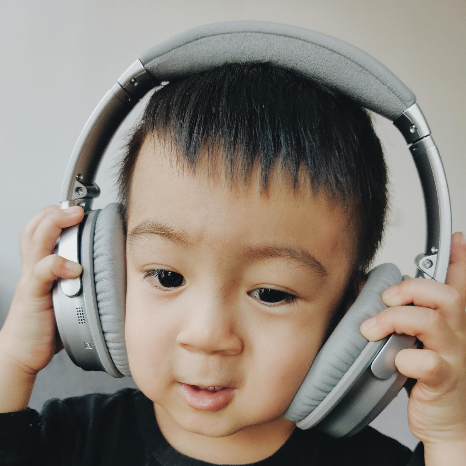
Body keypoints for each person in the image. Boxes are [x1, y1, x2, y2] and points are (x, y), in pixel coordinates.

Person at [0, 62, 465, 466]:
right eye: (167, 276)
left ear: (353, 314)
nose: (206, 336)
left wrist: (452, 434)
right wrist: (13, 359)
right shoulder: (73, 441)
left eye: (271, 293)